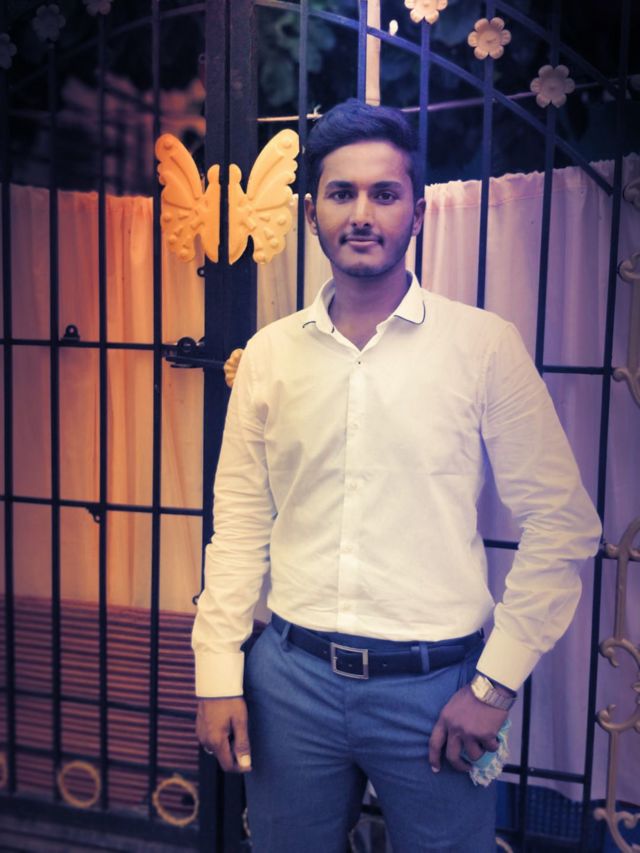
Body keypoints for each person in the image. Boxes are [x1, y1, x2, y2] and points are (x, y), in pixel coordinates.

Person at [192, 99, 601, 852]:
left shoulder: (482, 347)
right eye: (340, 193)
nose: (361, 213)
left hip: (437, 691)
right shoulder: (271, 354)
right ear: (312, 212)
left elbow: (562, 523)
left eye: (384, 193)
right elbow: (240, 523)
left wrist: (494, 685)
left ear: (417, 212)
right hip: (290, 684)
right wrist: (217, 671)